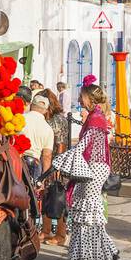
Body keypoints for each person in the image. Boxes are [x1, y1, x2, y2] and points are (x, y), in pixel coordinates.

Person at [52, 84, 119, 260]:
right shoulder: (96, 116)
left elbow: (85, 144)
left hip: (93, 168)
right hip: (94, 167)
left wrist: (63, 160)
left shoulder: (96, 117)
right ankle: (101, 252)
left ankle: (92, 255)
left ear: (90, 98)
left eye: (82, 97)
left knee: (87, 211)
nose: (80, 101)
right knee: (87, 211)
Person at [42, 91, 71, 245]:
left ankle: (60, 234)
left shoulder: (58, 120)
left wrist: (57, 166)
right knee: (47, 196)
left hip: (56, 162)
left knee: (58, 198)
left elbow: (61, 145)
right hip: (48, 161)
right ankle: (46, 230)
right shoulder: (47, 118)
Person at [22, 93, 56, 176]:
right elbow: (47, 156)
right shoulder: (48, 129)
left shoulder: (19, 119)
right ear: (45, 110)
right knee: (33, 188)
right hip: (33, 163)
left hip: (15, 160)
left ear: (31, 105)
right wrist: (43, 178)